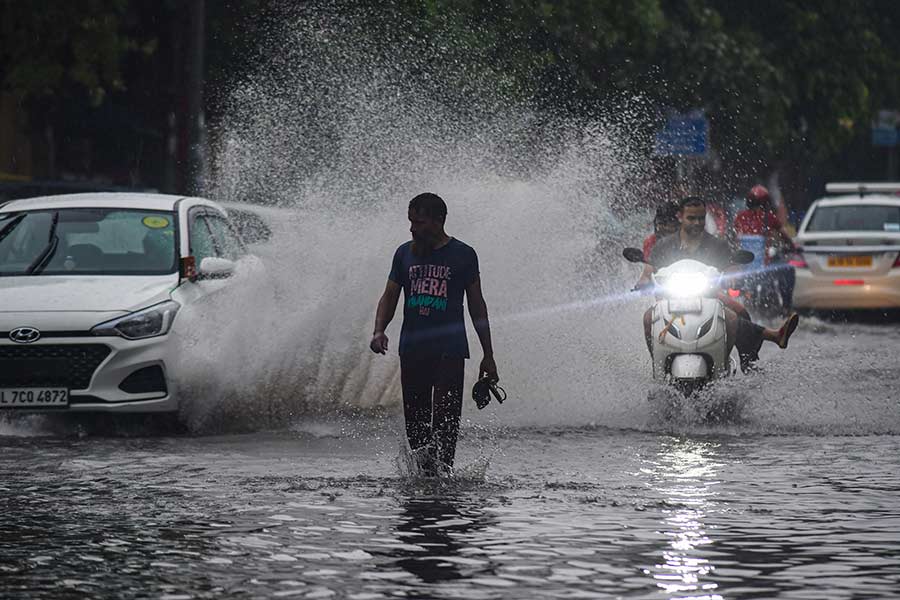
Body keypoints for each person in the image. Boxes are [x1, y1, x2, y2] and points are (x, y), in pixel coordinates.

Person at [370, 193, 498, 476]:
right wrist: (379, 330)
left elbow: (477, 305)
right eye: (411, 221)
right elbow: (389, 296)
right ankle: (422, 483)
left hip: (449, 350)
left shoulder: (464, 255)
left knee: (445, 420)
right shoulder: (404, 253)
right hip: (412, 349)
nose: (413, 228)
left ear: (439, 221)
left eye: (420, 221)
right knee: (416, 424)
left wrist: (488, 355)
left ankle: (443, 480)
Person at [635, 196, 799, 370]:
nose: (697, 223)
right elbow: (648, 271)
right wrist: (643, 282)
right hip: (669, 302)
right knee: (648, 319)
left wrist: (733, 279)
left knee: (733, 317)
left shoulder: (717, 245)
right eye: (691, 218)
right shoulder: (663, 245)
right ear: (680, 217)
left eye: (700, 218)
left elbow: (731, 266)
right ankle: (658, 366)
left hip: (708, 299)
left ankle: (736, 362)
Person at [733, 185, 796, 312]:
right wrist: (792, 247)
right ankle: (786, 307)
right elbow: (784, 236)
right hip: (763, 265)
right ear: (767, 203)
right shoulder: (768, 217)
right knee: (789, 270)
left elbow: (734, 238)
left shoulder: (740, 217)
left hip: (743, 264)